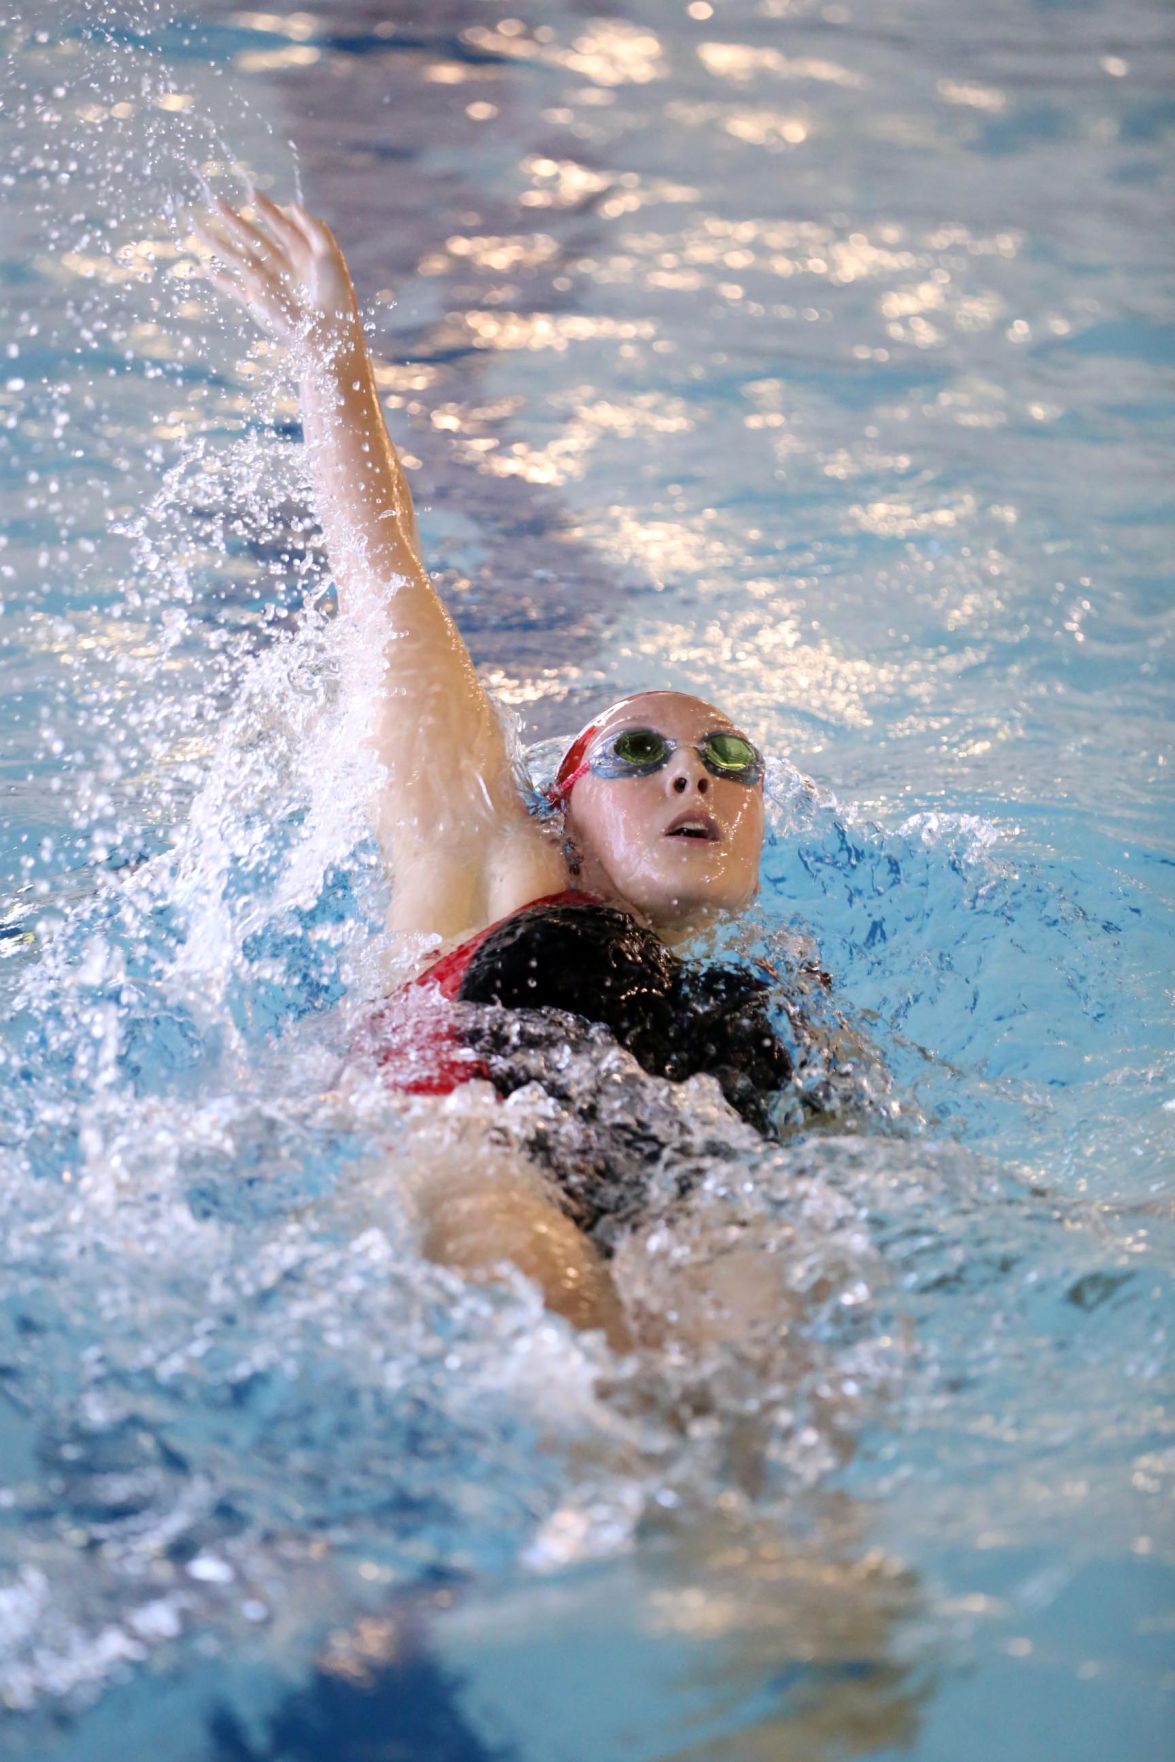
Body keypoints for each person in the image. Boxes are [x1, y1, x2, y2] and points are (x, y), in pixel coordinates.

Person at [196, 195, 833, 1348]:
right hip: (462, 1152)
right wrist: (328, 356)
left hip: (676, 1181)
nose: (691, 779)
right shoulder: (487, 858)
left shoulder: (762, 1005)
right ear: (564, 809)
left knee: (760, 1303)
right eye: (638, 752)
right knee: (536, 1277)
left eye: (726, 759)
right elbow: (385, 589)